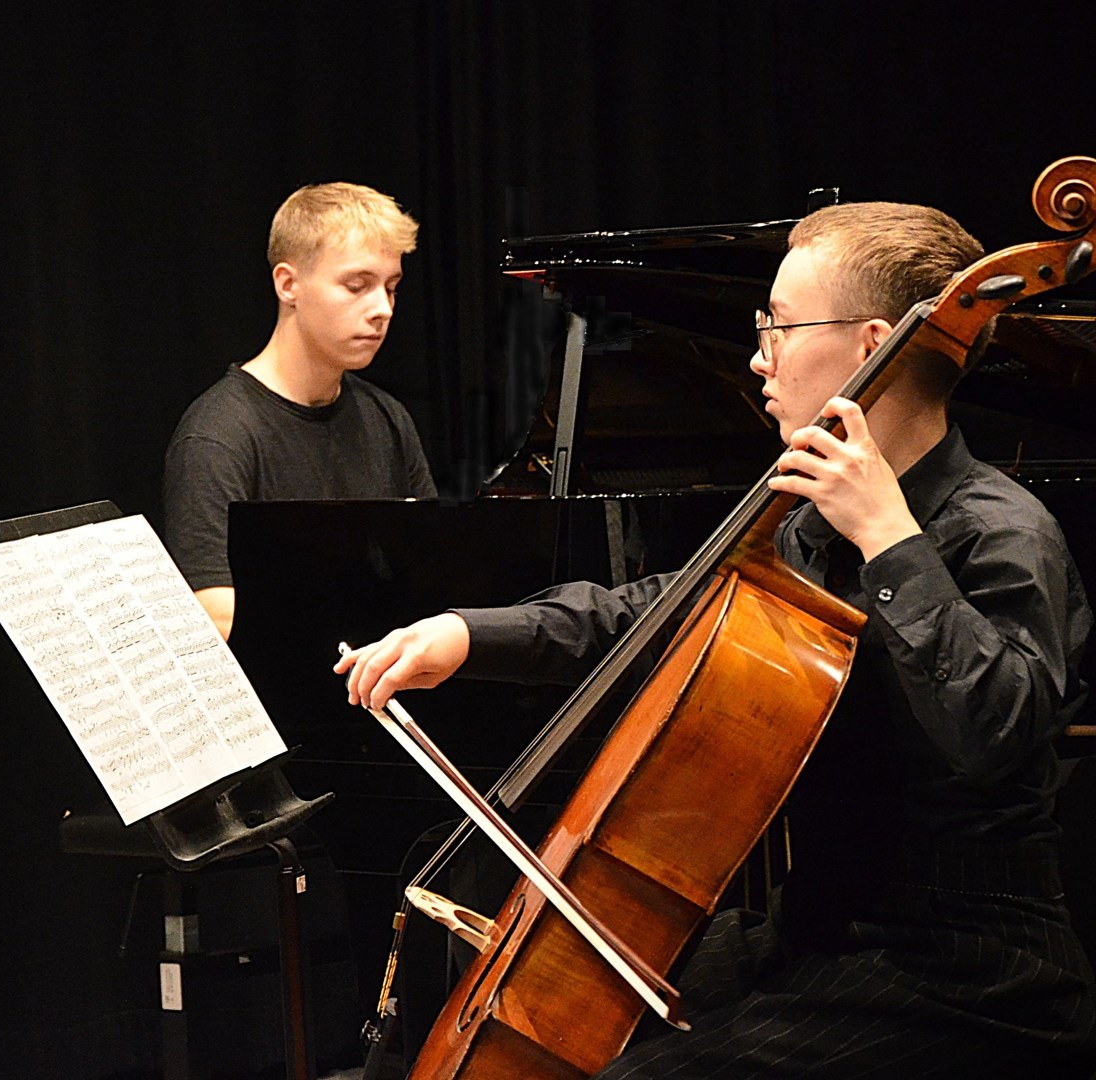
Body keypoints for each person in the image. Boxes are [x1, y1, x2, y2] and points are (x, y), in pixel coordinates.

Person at [336, 201, 1096, 1076]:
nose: (758, 353)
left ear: (871, 343)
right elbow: (658, 609)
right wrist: (468, 635)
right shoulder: (811, 519)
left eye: (779, 324)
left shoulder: (1001, 531)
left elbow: (997, 732)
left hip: (968, 968)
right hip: (815, 927)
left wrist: (893, 540)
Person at [163, 181, 437, 639]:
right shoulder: (217, 436)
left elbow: (432, 566)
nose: (383, 309)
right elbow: (216, 615)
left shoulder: (387, 417)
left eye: (391, 288)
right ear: (288, 284)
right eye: (357, 285)